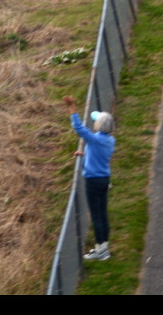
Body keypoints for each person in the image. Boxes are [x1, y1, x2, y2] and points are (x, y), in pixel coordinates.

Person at [65, 95, 116, 261]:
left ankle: (101, 252)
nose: (93, 122)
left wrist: (72, 106)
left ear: (99, 126)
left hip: (93, 182)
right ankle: (103, 247)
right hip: (104, 179)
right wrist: (85, 155)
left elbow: (78, 127)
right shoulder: (110, 140)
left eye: (95, 121)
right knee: (102, 214)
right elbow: (98, 155)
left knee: (96, 216)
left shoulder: (94, 139)